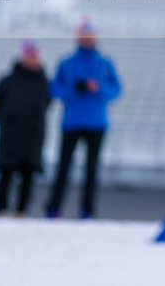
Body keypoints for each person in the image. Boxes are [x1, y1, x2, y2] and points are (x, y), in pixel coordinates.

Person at [45, 19, 122, 219]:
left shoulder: (105, 63)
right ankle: (54, 208)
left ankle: (87, 210)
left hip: (97, 122)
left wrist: (98, 88)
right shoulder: (67, 62)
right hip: (72, 121)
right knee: (63, 167)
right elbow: (54, 89)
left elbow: (116, 90)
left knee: (92, 168)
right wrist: (74, 89)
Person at [0, 39, 50, 216]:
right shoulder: (8, 81)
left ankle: (22, 210)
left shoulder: (43, 82)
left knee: (28, 175)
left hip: (33, 135)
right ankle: (1, 208)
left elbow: (47, 104)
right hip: (10, 135)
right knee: (6, 173)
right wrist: (6, 121)